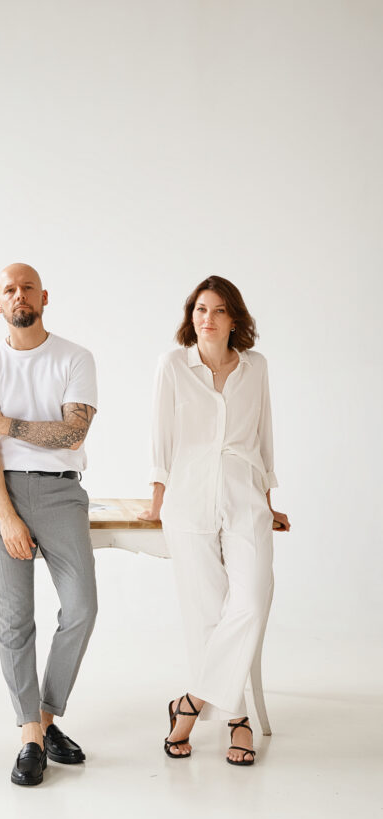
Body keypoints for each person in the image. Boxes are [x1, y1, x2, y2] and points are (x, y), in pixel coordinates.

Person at [140, 276, 290, 766]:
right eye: (200, 309)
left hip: (245, 496)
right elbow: (161, 436)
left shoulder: (255, 367)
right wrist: (157, 498)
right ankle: (236, 719)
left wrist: (268, 499)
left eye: (219, 310)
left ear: (233, 319)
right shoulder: (172, 366)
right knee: (207, 612)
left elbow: (264, 435)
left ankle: (190, 702)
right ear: (192, 316)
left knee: (251, 600)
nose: (207, 318)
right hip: (187, 498)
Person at [0, 263, 98, 786]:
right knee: (15, 619)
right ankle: (29, 738)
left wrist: (8, 424)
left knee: (81, 608)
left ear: (44, 297)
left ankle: (43, 718)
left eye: (27, 287)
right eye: (8, 289)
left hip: (62, 491)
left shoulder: (74, 357)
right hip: (2, 492)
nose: (18, 295)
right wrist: (6, 516)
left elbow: (73, 434)